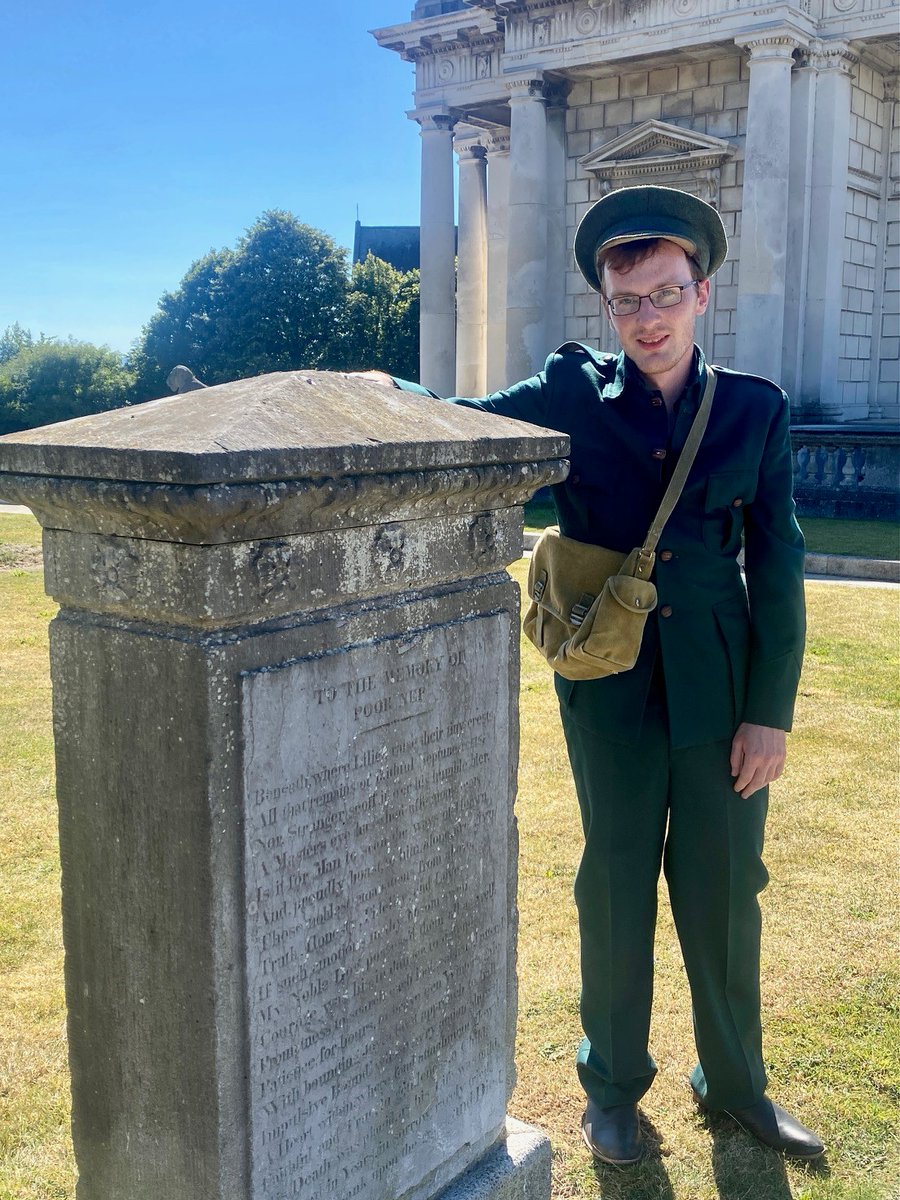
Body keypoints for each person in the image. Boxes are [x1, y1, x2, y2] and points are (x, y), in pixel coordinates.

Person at [358, 185, 824, 1165]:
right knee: (614, 883)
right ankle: (611, 1086)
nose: (646, 319)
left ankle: (735, 1083)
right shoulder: (575, 392)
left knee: (725, 885)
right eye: (628, 302)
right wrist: (379, 395)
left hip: (723, 689)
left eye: (664, 295)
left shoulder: (754, 410)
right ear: (607, 308)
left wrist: (769, 715)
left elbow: (777, 568)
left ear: (702, 294)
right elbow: (470, 423)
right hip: (607, 685)